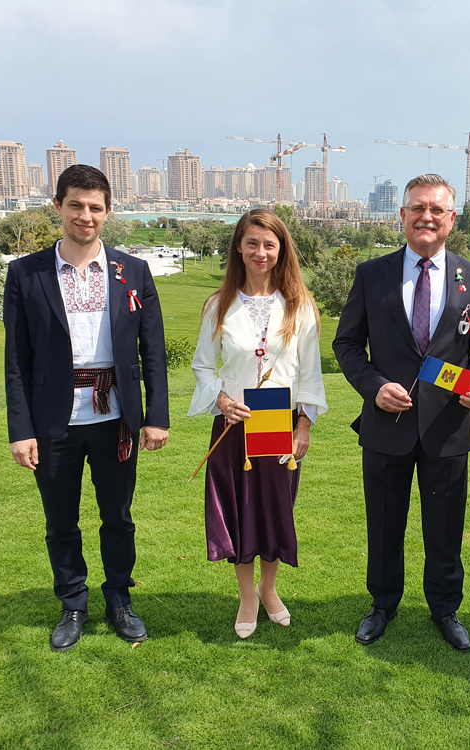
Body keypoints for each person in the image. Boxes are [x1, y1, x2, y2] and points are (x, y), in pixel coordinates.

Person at [333, 174, 470, 652]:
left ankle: (446, 609)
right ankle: (382, 604)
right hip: (386, 424)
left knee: (445, 527)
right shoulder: (372, 274)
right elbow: (346, 343)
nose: (426, 217)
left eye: (437, 209)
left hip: (448, 427)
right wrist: (373, 387)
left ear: (451, 219)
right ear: (402, 216)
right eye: (417, 208)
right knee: (384, 523)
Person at [3, 164, 170, 651]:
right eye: (76, 204)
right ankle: (73, 603)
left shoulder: (132, 271)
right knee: (61, 520)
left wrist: (156, 416)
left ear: (108, 211)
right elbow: (16, 360)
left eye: (96, 207)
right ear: (58, 206)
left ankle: (119, 598)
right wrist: (21, 429)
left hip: (116, 419)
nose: (85, 215)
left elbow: (152, 351)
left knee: (117, 515)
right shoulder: (27, 273)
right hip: (53, 421)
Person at [189, 209, 327, 639]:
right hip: (234, 429)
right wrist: (222, 399)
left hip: (280, 429)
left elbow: (310, 373)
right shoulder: (218, 305)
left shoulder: (300, 306)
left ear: (281, 249)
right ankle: (247, 596)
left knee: (274, 511)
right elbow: (202, 367)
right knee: (240, 511)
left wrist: (303, 425)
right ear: (238, 247)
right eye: (252, 243)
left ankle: (270, 590)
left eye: (270, 244)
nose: (261, 252)